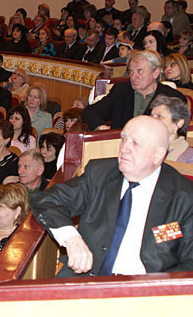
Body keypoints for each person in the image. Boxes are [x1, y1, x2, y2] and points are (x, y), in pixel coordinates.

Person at [31, 115, 193, 277]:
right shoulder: (100, 173)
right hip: (86, 278)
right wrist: (71, 238)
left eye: (135, 143)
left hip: (146, 292)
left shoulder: (183, 196)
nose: (124, 149)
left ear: (158, 155)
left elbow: (190, 260)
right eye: (123, 140)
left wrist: (153, 289)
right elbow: (47, 200)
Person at [82, 50, 186, 130]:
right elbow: (90, 112)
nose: (133, 77)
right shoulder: (121, 91)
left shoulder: (173, 97)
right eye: (131, 72)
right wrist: (101, 127)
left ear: (156, 73)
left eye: (140, 71)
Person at [150, 95, 193, 163]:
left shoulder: (189, 157)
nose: (152, 120)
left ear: (178, 123)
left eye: (159, 116)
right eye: (152, 115)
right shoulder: (142, 147)